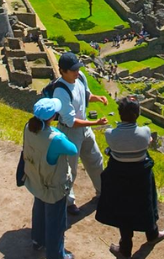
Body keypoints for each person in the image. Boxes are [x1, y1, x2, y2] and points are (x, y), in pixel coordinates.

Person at [96, 96, 164, 258]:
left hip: (119, 176)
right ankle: (152, 234)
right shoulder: (145, 133)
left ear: (120, 114)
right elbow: (147, 141)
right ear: (138, 113)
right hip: (141, 177)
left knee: (124, 211)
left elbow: (112, 149)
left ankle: (125, 248)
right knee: (147, 204)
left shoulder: (110, 134)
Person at [52, 51, 108, 215]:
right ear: (63, 71)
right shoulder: (60, 91)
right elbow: (71, 121)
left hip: (84, 129)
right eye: (73, 70)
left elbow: (85, 95)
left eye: (77, 68)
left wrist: (98, 98)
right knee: (70, 168)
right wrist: (96, 123)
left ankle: (102, 192)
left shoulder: (80, 77)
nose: (77, 72)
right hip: (70, 132)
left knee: (96, 160)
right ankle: (68, 202)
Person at [22, 97, 79, 259]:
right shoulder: (56, 139)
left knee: (39, 209)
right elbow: (73, 149)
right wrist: (58, 132)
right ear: (52, 117)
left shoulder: (28, 127)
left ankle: (37, 240)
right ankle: (56, 254)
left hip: (36, 179)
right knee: (56, 221)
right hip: (53, 185)